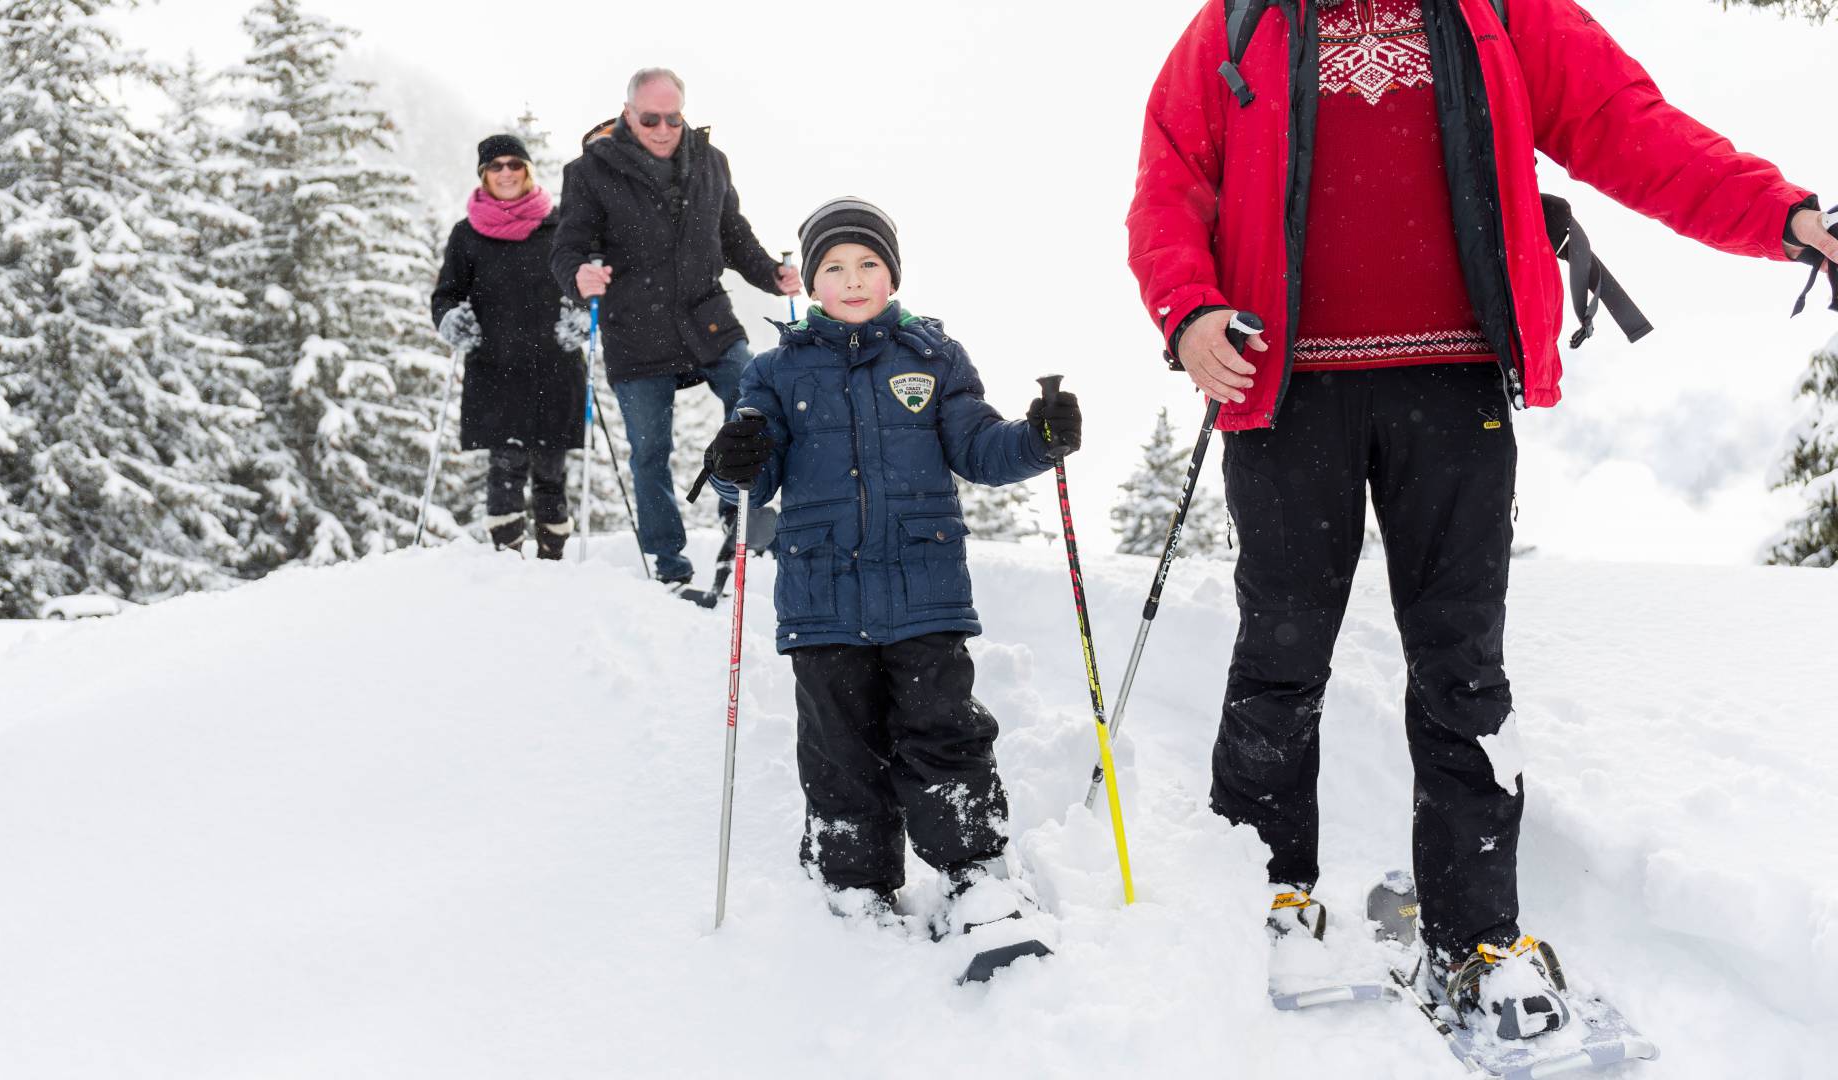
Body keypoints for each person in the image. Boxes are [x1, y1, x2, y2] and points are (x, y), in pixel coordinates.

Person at [1126, 0, 1836, 1037]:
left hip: (1454, 389)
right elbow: (1170, 186)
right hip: (1284, 393)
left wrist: (1783, 215)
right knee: (1281, 650)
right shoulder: (1241, 28)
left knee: (1463, 666)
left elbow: (1632, 127)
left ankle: (1478, 935)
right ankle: (1271, 888)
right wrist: (1186, 310)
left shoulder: (1501, 12)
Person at [702, 198, 1083, 945]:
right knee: (838, 748)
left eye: (868, 264)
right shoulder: (775, 372)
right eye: (835, 268)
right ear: (811, 283)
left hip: (925, 593)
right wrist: (735, 464)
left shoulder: (931, 356)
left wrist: (1038, 440)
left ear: (892, 274)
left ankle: (976, 875)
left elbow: (979, 448)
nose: (853, 279)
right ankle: (855, 882)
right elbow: (752, 480)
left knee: (944, 733)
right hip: (821, 599)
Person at [551, 67, 802, 588]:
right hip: (634, 331)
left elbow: (733, 234)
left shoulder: (711, 162)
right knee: (650, 452)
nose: (663, 128)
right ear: (628, 115)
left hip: (706, 319)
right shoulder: (589, 171)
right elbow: (567, 247)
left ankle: (738, 512)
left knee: (756, 402)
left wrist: (771, 276)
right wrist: (579, 276)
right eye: (650, 118)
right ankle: (670, 563)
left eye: (673, 117)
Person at [431, 133, 585, 559]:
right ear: (483, 175)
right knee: (504, 466)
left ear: (527, 170)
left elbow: (584, 287)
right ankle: (507, 561)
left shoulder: (559, 228)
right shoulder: (467, 235)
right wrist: (450, 319)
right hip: (495, 364)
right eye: (495, 166)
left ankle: (552, 559)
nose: (505, 173)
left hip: (554, 364)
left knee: (551, 469)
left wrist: (583, 319)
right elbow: (445, 294)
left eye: (514, 165)